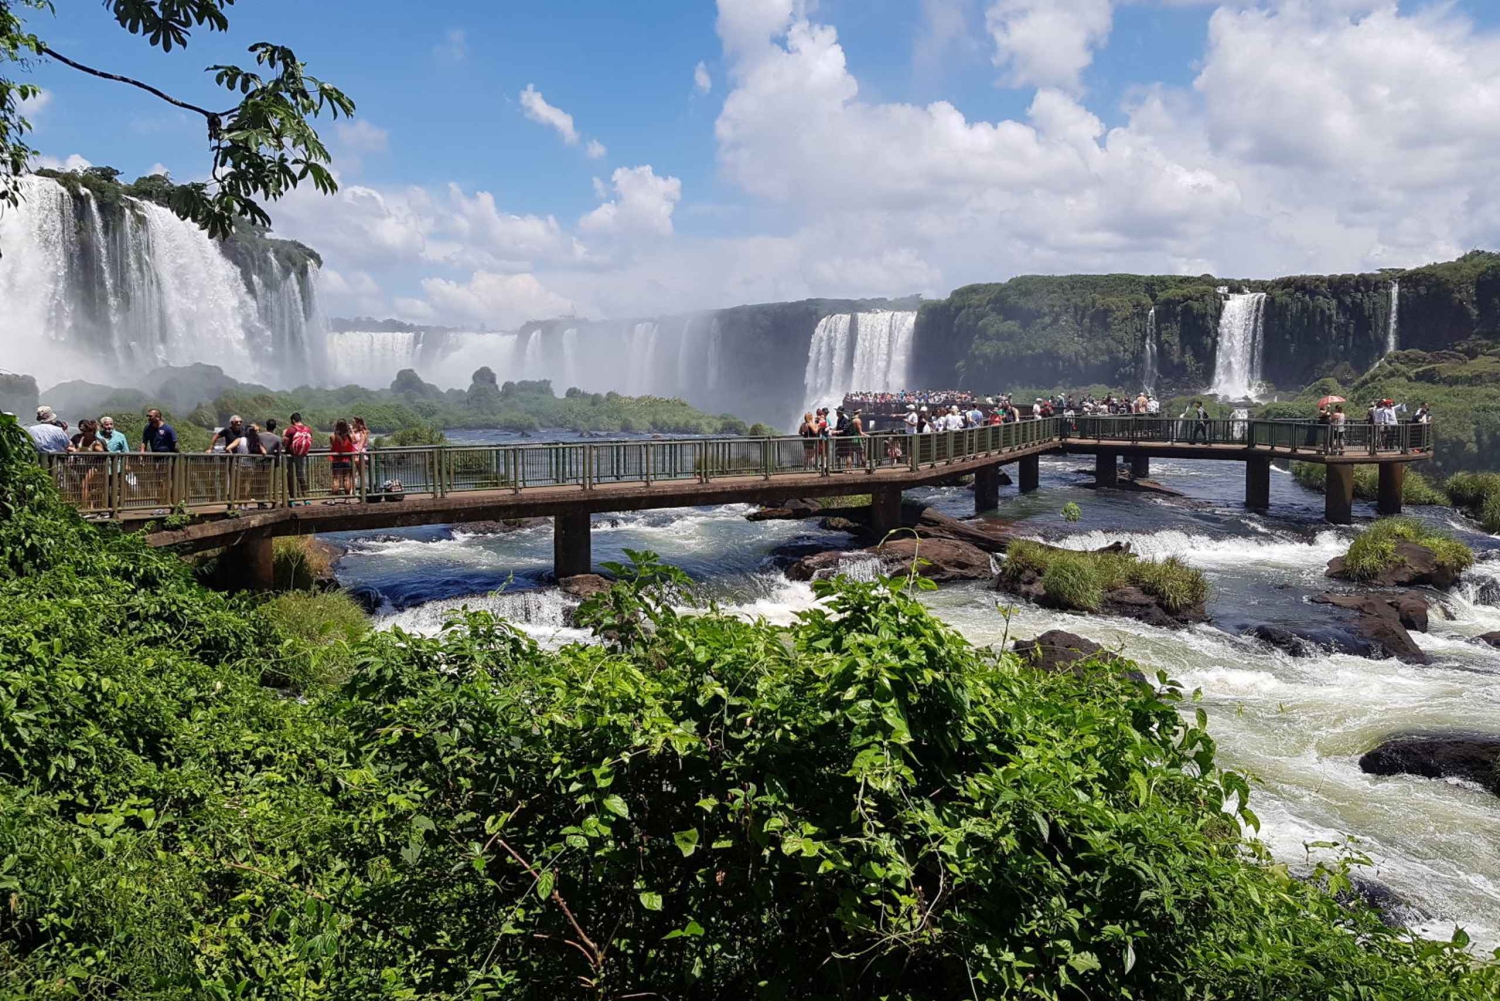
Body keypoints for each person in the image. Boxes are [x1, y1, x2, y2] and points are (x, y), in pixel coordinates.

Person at [282, 412, 315, 504]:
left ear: (293, 420)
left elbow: (284, 443)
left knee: (290, 476)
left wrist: (283, 435)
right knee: (301, 476)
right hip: (301, 456)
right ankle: (306, 498)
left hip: (291, 456)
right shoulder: (308, 429)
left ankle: (292, 498)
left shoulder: (291, 430)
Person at [329, 419, 357, 498]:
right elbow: (355, 440)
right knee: (347, 478)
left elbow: (332, 444)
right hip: (347, 459)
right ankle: (347, 498)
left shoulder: (333, 437)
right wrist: (351, 430)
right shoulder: (350, 437)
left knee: (336, 479)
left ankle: (334, 498)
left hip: (336, 460)